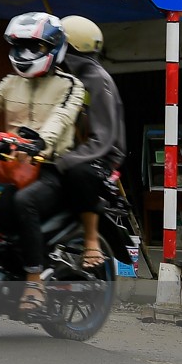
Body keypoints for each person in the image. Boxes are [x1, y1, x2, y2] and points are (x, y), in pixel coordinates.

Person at [0, 11, 86, 312]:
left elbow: (61, 118)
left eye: (34, 47)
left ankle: (33, 280)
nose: (24, 54)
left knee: (23, 202)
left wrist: (41, 140)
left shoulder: (70, 86)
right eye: (18, 47)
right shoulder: (10, 83)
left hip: (53, 168)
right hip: (13, 166)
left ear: (54, 48)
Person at [56, 15, 127, 269]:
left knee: (78, 172)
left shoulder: (96, 79)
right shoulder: (65, 75)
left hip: (102, 158)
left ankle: (90, 240)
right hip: (72, 150)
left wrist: (66, 160)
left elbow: (104, 138)